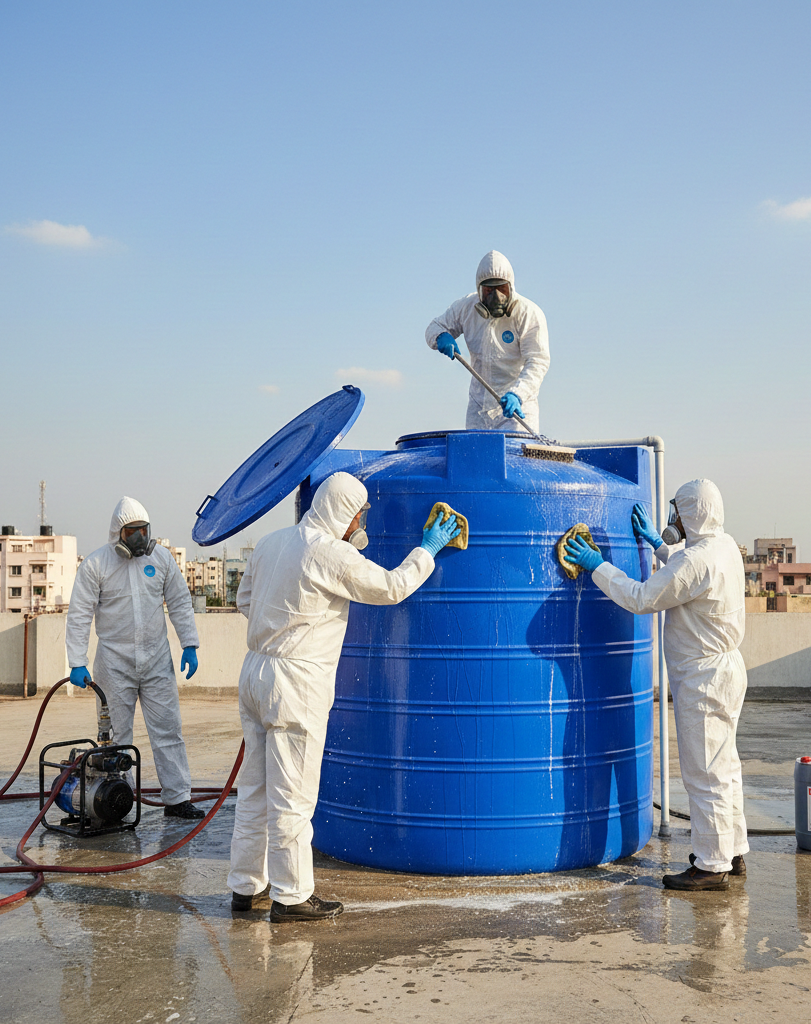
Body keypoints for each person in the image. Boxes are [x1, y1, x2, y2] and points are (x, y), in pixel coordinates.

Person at [228, 472, 464, 922]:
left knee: (255, 789)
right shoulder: (330, 554)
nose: (363, 520)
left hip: (255, 670)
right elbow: (392, 588)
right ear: (346, 511)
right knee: (293, 794)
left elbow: (245, 600)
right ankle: (292, 896)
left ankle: (246, 888)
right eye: (361, 512)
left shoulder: (271, 542)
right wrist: (427, 549)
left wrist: (284, 621)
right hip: (297, 680)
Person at [563, 479, 748, 891]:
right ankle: (732, 849)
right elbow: (688, 575)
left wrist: (598, 566)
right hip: (728, 670)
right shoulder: (725, 547)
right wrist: (659, 547)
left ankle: (712, 865)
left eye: (677, 513)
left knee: (705, 773)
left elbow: (643, 597)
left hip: (703, 679)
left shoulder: (695, 560)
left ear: (690, 515)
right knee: (727, 767)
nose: (672, 521)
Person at [65, 496, 205, 819]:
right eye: (133, 531)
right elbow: (79, 614)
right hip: (114, 664)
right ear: (119, 533)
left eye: (144, 529)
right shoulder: (97, 565)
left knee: (168, 730)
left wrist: (190, 644)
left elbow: (181, 602)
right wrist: (76, 660)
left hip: (157, 660)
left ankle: (177, 799)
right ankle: (117, 801)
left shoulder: (162, 560)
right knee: (116, 739)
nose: (141, 537)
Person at [425, 250, 550, 433]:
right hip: (479, 409)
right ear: (479, 290)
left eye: (502, 289)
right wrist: (440, 336)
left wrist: (518, 394)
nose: (496, 297)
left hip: (516, 410)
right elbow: (433, 327)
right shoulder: (466, 308)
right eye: (489, 290)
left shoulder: (528, 313)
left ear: (511, 286)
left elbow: (538, 361)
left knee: (515, 458)